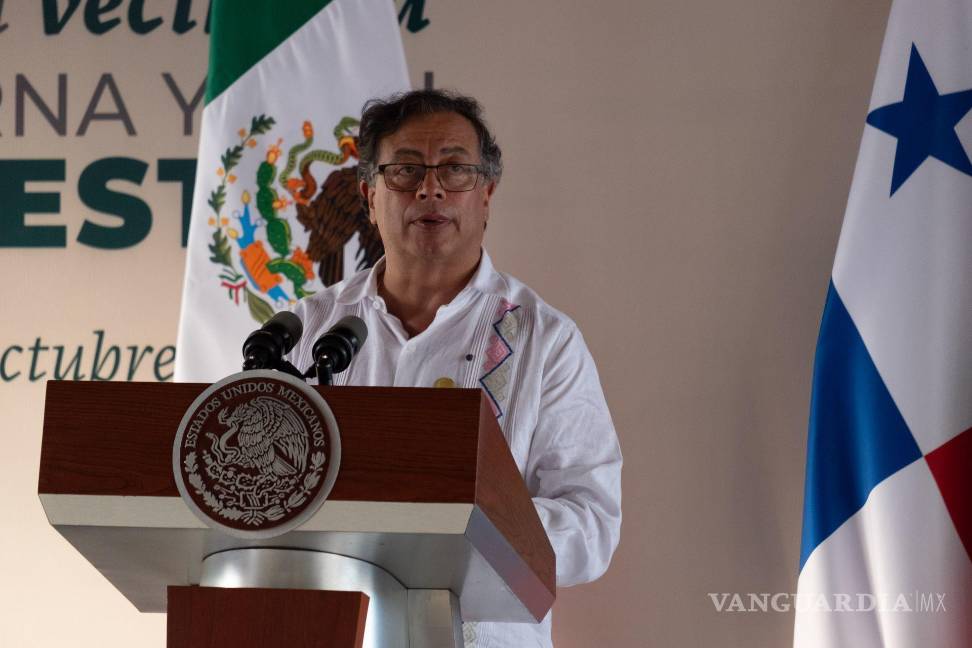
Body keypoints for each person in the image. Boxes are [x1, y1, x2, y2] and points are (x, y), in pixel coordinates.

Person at [286, 89, 622, 648]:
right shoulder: (306, 329)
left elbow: (591, 524)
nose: (430, 189)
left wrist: (460, 528)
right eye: (405, 170)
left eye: (455, 169)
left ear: (486, 194)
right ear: (369, 195)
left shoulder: (545, 339)